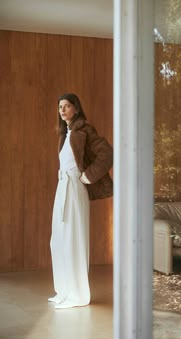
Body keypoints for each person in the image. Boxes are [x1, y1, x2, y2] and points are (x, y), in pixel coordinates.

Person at [48, 93, 113, 309]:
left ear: (76, 108)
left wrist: (87, 176)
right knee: (58, 240)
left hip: (75, 189)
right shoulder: (66, 134)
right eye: (60, 107)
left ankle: (77, 295)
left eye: (67, 106)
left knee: (73, 241)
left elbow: (106, 153)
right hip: (62, 188)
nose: (63, 110)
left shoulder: (84, 130)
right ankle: (64, 291)